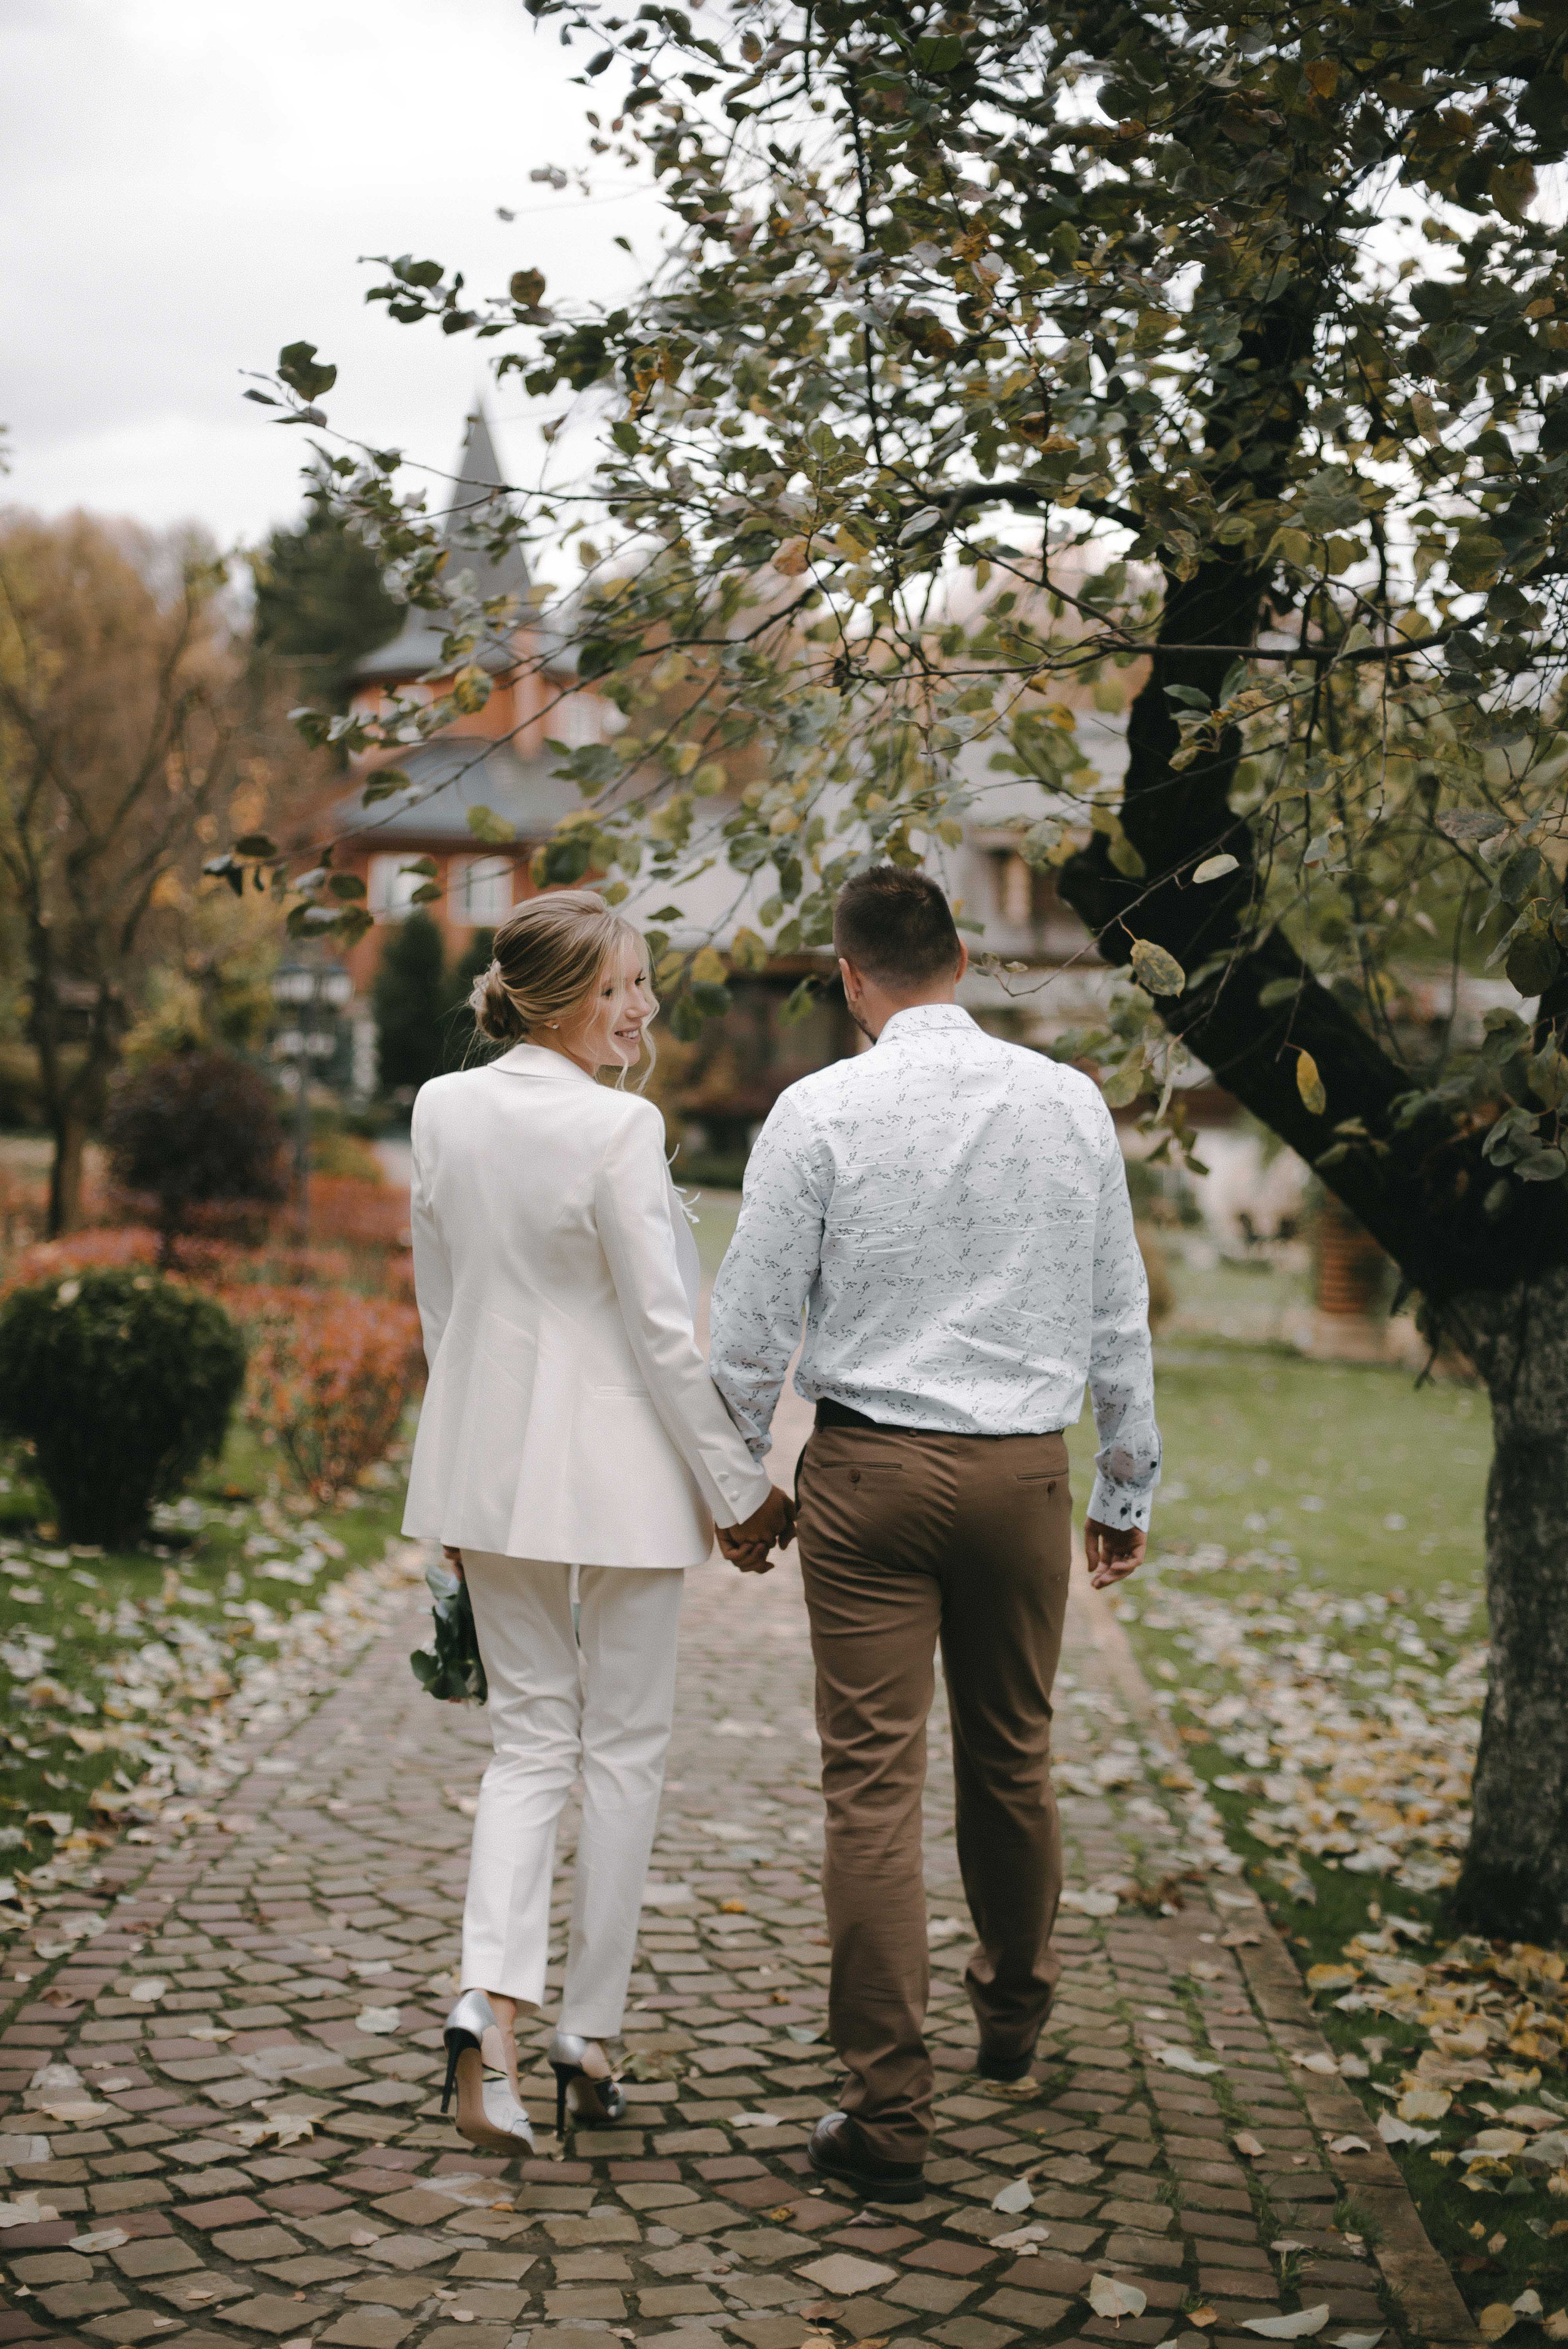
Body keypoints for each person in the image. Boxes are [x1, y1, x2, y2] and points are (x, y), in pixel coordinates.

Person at [709, 865, 1159, 2201]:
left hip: (865, 1480)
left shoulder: (815, 1112)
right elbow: (1113, 1316)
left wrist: (742, 1491)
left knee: (871, 1790)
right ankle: (1011, 2017)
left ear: (848, 981)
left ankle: (887, 2118)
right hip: (1020, 1478)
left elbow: (744, 1340)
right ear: (961, 957)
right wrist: (1120, 1489)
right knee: (1012, 1757)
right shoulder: (1068, 1103)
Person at [404, 889, 794, 2155]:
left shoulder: (441, 1109)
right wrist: (742, 1494)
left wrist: (460, 1468)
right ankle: (585, 2032)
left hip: (489, 1470)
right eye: (624, 985)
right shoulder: (620, 1130)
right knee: (620, 1751)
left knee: (527, 1747)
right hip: (620, 1482)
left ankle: (485, 2004)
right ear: (562, 993)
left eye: (643, 985)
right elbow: (664, 1340)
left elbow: (440, 1309)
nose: (643, 1008)